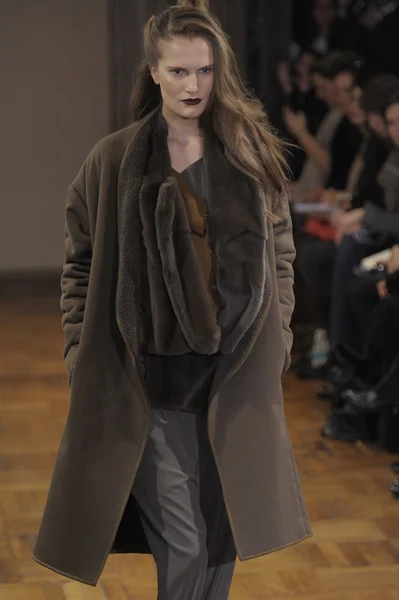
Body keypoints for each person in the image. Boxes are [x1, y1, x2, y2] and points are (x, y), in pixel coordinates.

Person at [32, 1, 311, 597]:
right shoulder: (114, 161)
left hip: (229, 385)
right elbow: (79, 263)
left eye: (205, 71)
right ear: (153, 71)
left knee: (218, 547)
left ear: (220, 72)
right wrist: (83, 352)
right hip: (147, 387)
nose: (193, 85)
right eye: (179, 71)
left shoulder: (249, 155)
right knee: (184, 547)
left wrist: (279, 337)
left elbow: (280, 255)